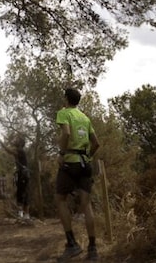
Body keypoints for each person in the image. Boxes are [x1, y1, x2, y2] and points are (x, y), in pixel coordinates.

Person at [55, 88, 101, 261]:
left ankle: (72, 244)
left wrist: (61, 153)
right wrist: (87, 156)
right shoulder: (85, 118)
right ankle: (93, 248)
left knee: (60, 199)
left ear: (66, 99)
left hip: (69, 162)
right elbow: (96, 143)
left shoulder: (64, 113)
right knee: (86, 204)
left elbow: (66, 133)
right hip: (85, 164)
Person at [0, 133, 30, 219]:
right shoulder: (21, 151)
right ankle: (26, 215)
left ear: (20, 143)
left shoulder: (19, 151)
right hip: (25, 174)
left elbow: (8, 150)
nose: (15, 140)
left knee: (20, 194)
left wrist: (0, 140)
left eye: (17, 140)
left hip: (22, 175)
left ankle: (21, 215)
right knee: (24, 193)